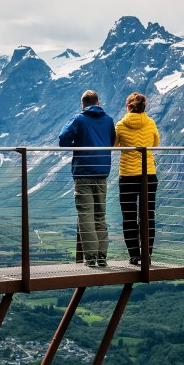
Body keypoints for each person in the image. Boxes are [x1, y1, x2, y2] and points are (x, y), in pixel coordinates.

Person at [58, 89, 116, 267]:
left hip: (83, 173)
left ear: (82, 104)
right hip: (101, 173)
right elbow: (111, 141)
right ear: (98, 103)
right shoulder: (108, 120)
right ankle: (102, 257)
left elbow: (63, 140)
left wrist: (78, 143)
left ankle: (90, 257)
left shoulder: (79, 119)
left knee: (85, 215)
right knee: (100, 215)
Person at [114, 92, 160, 266]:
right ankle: (147, 255)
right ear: (144, 107)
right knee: (148, 215)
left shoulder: (120, 125)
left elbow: (115, 146)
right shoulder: (151, 124)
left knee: (129, 216)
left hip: (127, 176)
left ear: (128, 106)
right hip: (148, 174)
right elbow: (155, 144)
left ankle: (134, 255)